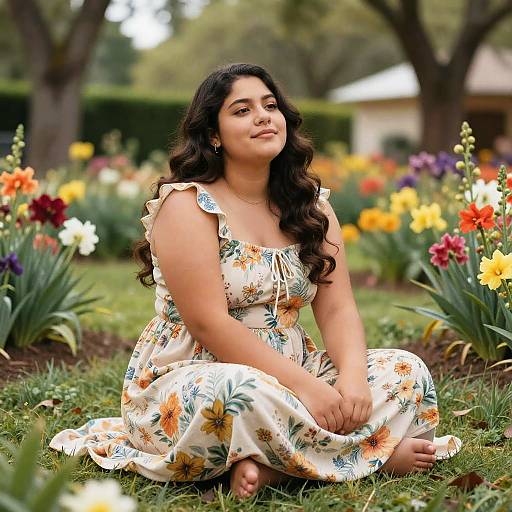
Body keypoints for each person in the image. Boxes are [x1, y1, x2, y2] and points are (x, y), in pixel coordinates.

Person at [49, 63, 462, 499]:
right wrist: (309, 390)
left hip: (296, 370)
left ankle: (279, 469)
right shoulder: (188, 205)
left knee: (405, 370)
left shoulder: (312, 208)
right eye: (242, 110)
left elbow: (338, 308)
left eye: (270, 106)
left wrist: (353, 381)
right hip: (197, 374)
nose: (264, 116)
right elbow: (209, 323)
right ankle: (367, 455)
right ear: (213, 133)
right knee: (239, 393)